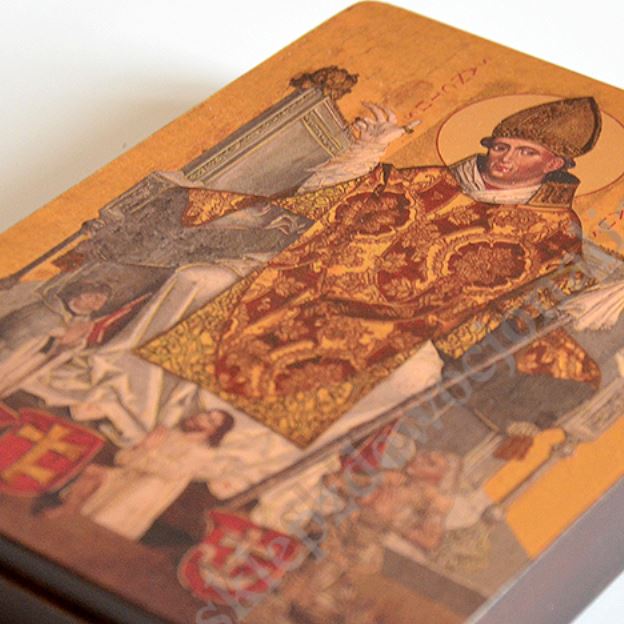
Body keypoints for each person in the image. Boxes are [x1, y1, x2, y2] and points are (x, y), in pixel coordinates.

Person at [140, 96, 603, 449]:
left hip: (408, 327)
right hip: (314, 279)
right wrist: (369, 147)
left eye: (525, 152)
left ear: (554, 164)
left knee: (413, 377)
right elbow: (333, 201)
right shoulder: (430, 180)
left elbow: (528, 303)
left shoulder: (557, 231)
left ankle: (256, 453)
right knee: (200, 281)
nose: (505, 158)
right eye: (502, 146)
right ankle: (133, 404)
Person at [47, 408, 235, 541]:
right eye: (206, 414)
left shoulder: (203, 453)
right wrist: (141, 449)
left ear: (214, 432)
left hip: (147, 490)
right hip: (128, 477)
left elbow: (172, 472)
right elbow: (123, 459)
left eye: (211, 421)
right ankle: (68, 509)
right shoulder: (171, 434)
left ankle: (81, 535)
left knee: (106, 516)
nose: (202, 417)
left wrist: (149, 451)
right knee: (93, 472)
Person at [0, 281, 111, 397]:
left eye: (102, 301)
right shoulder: (47, 307)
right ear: (80, 294)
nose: (97, 303)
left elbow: (70, 347)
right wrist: (55, 333)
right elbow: (16, 323)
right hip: (14, 347)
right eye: (94, 297)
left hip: (34, 358)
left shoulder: (85, 324)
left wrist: (69, 341)